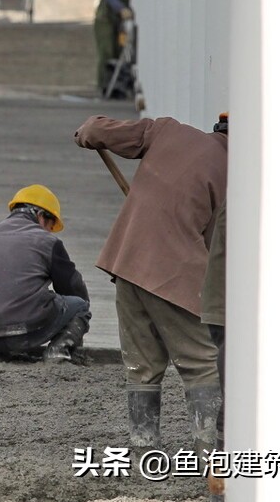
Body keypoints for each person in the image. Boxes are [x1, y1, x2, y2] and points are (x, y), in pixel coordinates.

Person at [75, 112, 226, 458]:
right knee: (203, 362)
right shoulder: (237, 173)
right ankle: (209, 454)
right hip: (173, 273)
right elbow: (220, 247)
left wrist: (87, 134)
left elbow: (95, 129)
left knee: (142, 364)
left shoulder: (169, 131)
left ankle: (143, 448)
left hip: (126, 261)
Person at [0, 185, 90, 363]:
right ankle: (58, 354)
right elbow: (72, 288)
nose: (49, 230)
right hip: (25, 332)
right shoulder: (48, 242)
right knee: (80, 306)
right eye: (51, 224)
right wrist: (77, 329)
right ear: (40, 216)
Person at [93, 0, 136, 93]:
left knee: (116, 53)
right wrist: (121, 9)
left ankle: (112, 85)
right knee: (107, 52)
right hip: (105, 21)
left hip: (114, 23)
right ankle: (103, 85)